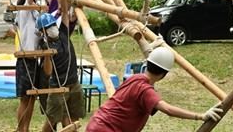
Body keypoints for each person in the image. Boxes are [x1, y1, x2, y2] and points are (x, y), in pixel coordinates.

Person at [86, 46, 223, 132]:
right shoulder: (146, 91)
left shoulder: (135, 78)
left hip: (96, 124)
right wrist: (200, 116)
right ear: (164, 74)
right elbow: (168, 109)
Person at [37, 7, 84, 132]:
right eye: (48, 27)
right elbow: (48, 72)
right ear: (43, 31)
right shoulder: (45, 45)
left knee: (73, 117)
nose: (52, 28)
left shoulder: (63, 32)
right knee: (52, 120)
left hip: (74, 83)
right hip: (57, 87)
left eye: (53, 24)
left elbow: (65, 13)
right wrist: (47, 56)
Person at [15, 0, 41, 132]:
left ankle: (27, 128)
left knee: (32, 97)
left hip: (33, 61)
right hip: (24, 60)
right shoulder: (24, 14)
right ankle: (21, 129)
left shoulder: (35, 17)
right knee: (25, 98)